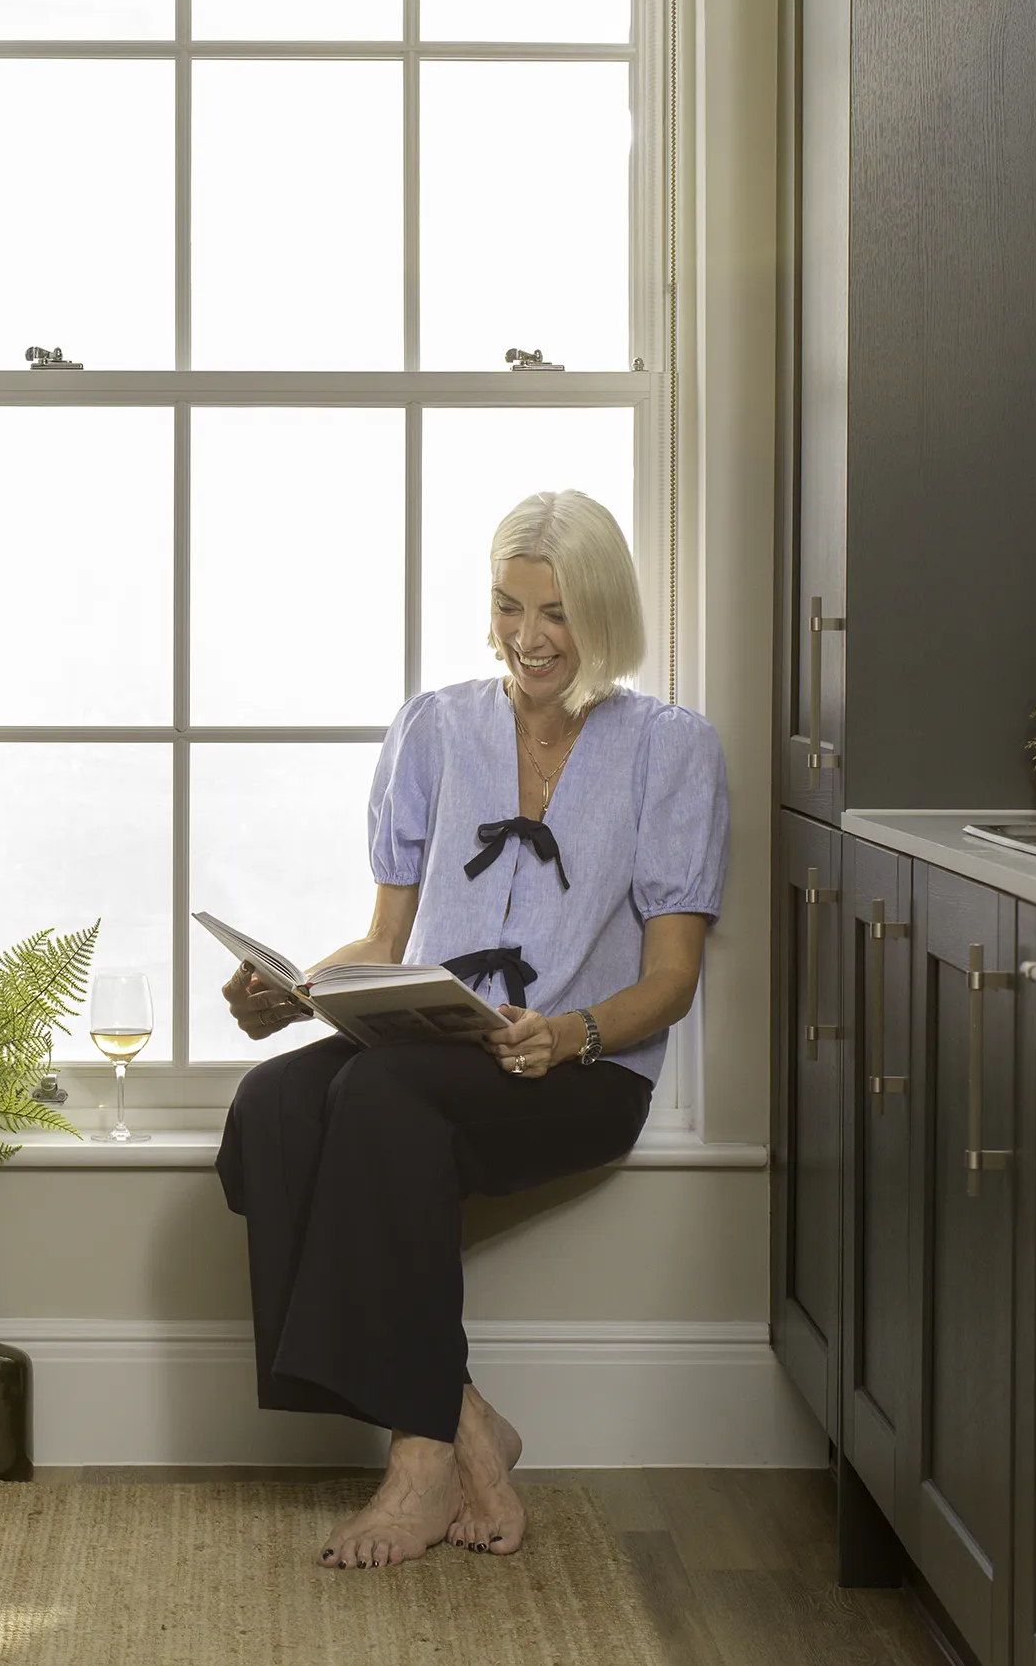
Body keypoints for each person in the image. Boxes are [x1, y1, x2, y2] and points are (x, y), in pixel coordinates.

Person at [215, 488, 728, 1569]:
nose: (528, 639)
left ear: (605, 616)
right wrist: (292, 990)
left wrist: (570, 1033)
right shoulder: (434, 727)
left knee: (379, 1094)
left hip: (581, 1070)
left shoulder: (669, 748)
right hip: (433, 1055)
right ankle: (466, 1423)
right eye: (508, 608)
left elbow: (670, 979)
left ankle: (417, 1456)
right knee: (271, 1105)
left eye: (556, 614)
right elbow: (382, 938)